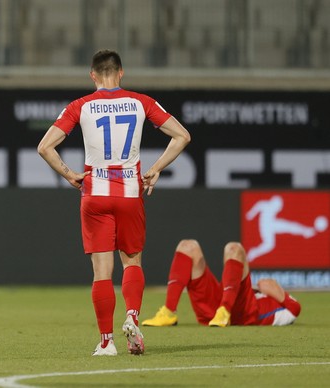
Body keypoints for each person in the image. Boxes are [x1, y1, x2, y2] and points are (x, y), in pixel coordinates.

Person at [37, 50, 191, 356]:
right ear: (121, 73)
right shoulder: (140, 102)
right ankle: (132, 317)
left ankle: (106, 341)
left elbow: (45, 147)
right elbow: (182, 136)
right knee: (132, 261)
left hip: (94, 191)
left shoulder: (80, 106)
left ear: (92, 75)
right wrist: (157, 167)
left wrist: (69, 174)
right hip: (130, 190)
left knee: (101, 272)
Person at [142, 239, 301, 327]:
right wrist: (267, 286)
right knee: (187, 246)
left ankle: (225, 310)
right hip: (214, 310)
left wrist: (270, 288)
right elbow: (266, 284)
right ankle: (169, 312)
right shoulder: (264, 291)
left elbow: (295, 308)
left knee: (235, 248)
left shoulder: (279, 310)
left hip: (242, 313)